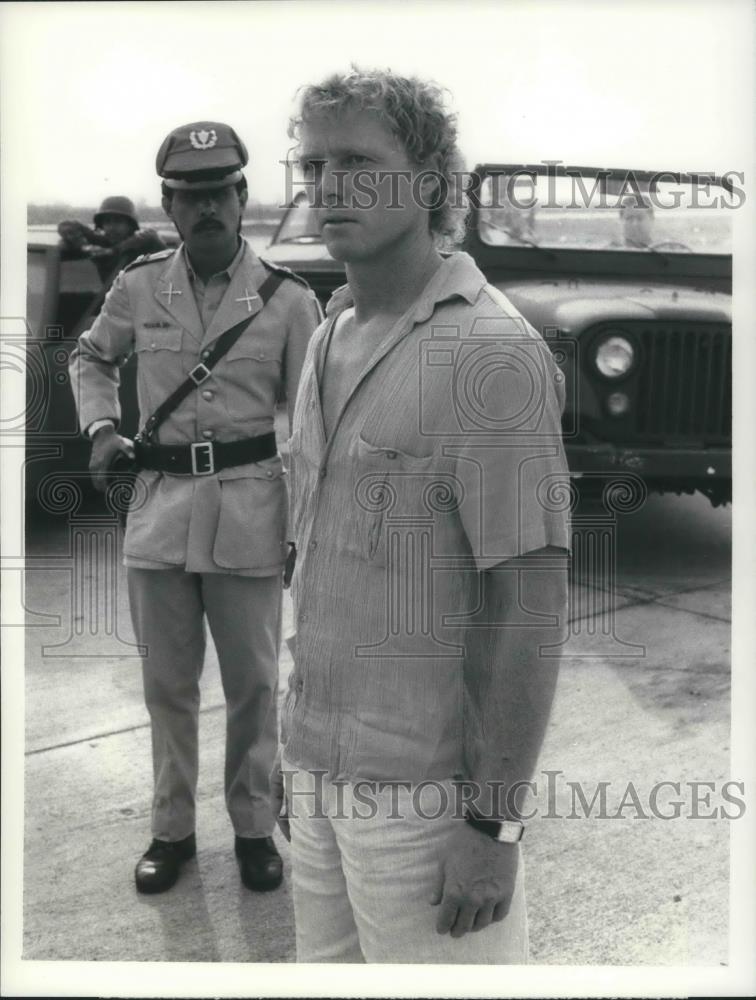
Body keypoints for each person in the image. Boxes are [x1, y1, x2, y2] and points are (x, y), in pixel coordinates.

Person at [271, 69, 571, 963]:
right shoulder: (330, 334)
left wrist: (495, 827)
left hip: (428, 801)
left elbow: (531, 607)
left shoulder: (490, 354)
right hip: (319, 776)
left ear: (433, 184)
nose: (330, 187)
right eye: (314, 164)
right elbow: (318, 567)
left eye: (361, 160)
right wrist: (299, 762)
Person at [69, 121, 322, 894]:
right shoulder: (140, 286)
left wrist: (304, 528)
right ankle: (170, 830)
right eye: (190, 197)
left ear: (243, 198)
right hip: (160, 510)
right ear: (170, 208)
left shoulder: (286, 299)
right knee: (167, 687)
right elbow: (92, 354)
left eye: (220, 192)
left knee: (252, 685)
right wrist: (103, 426)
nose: (207, 208)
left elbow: (315, 422)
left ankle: (253, 829)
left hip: (250, 511)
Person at [58, 195, 167, 285]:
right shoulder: (104, 243)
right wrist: (84, 240)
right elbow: (67, 226)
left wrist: (113, 251)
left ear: (130, 225)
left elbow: (151, 236)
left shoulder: (143, 246)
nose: (111, 227)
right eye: (107, 222)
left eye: (118, 221)